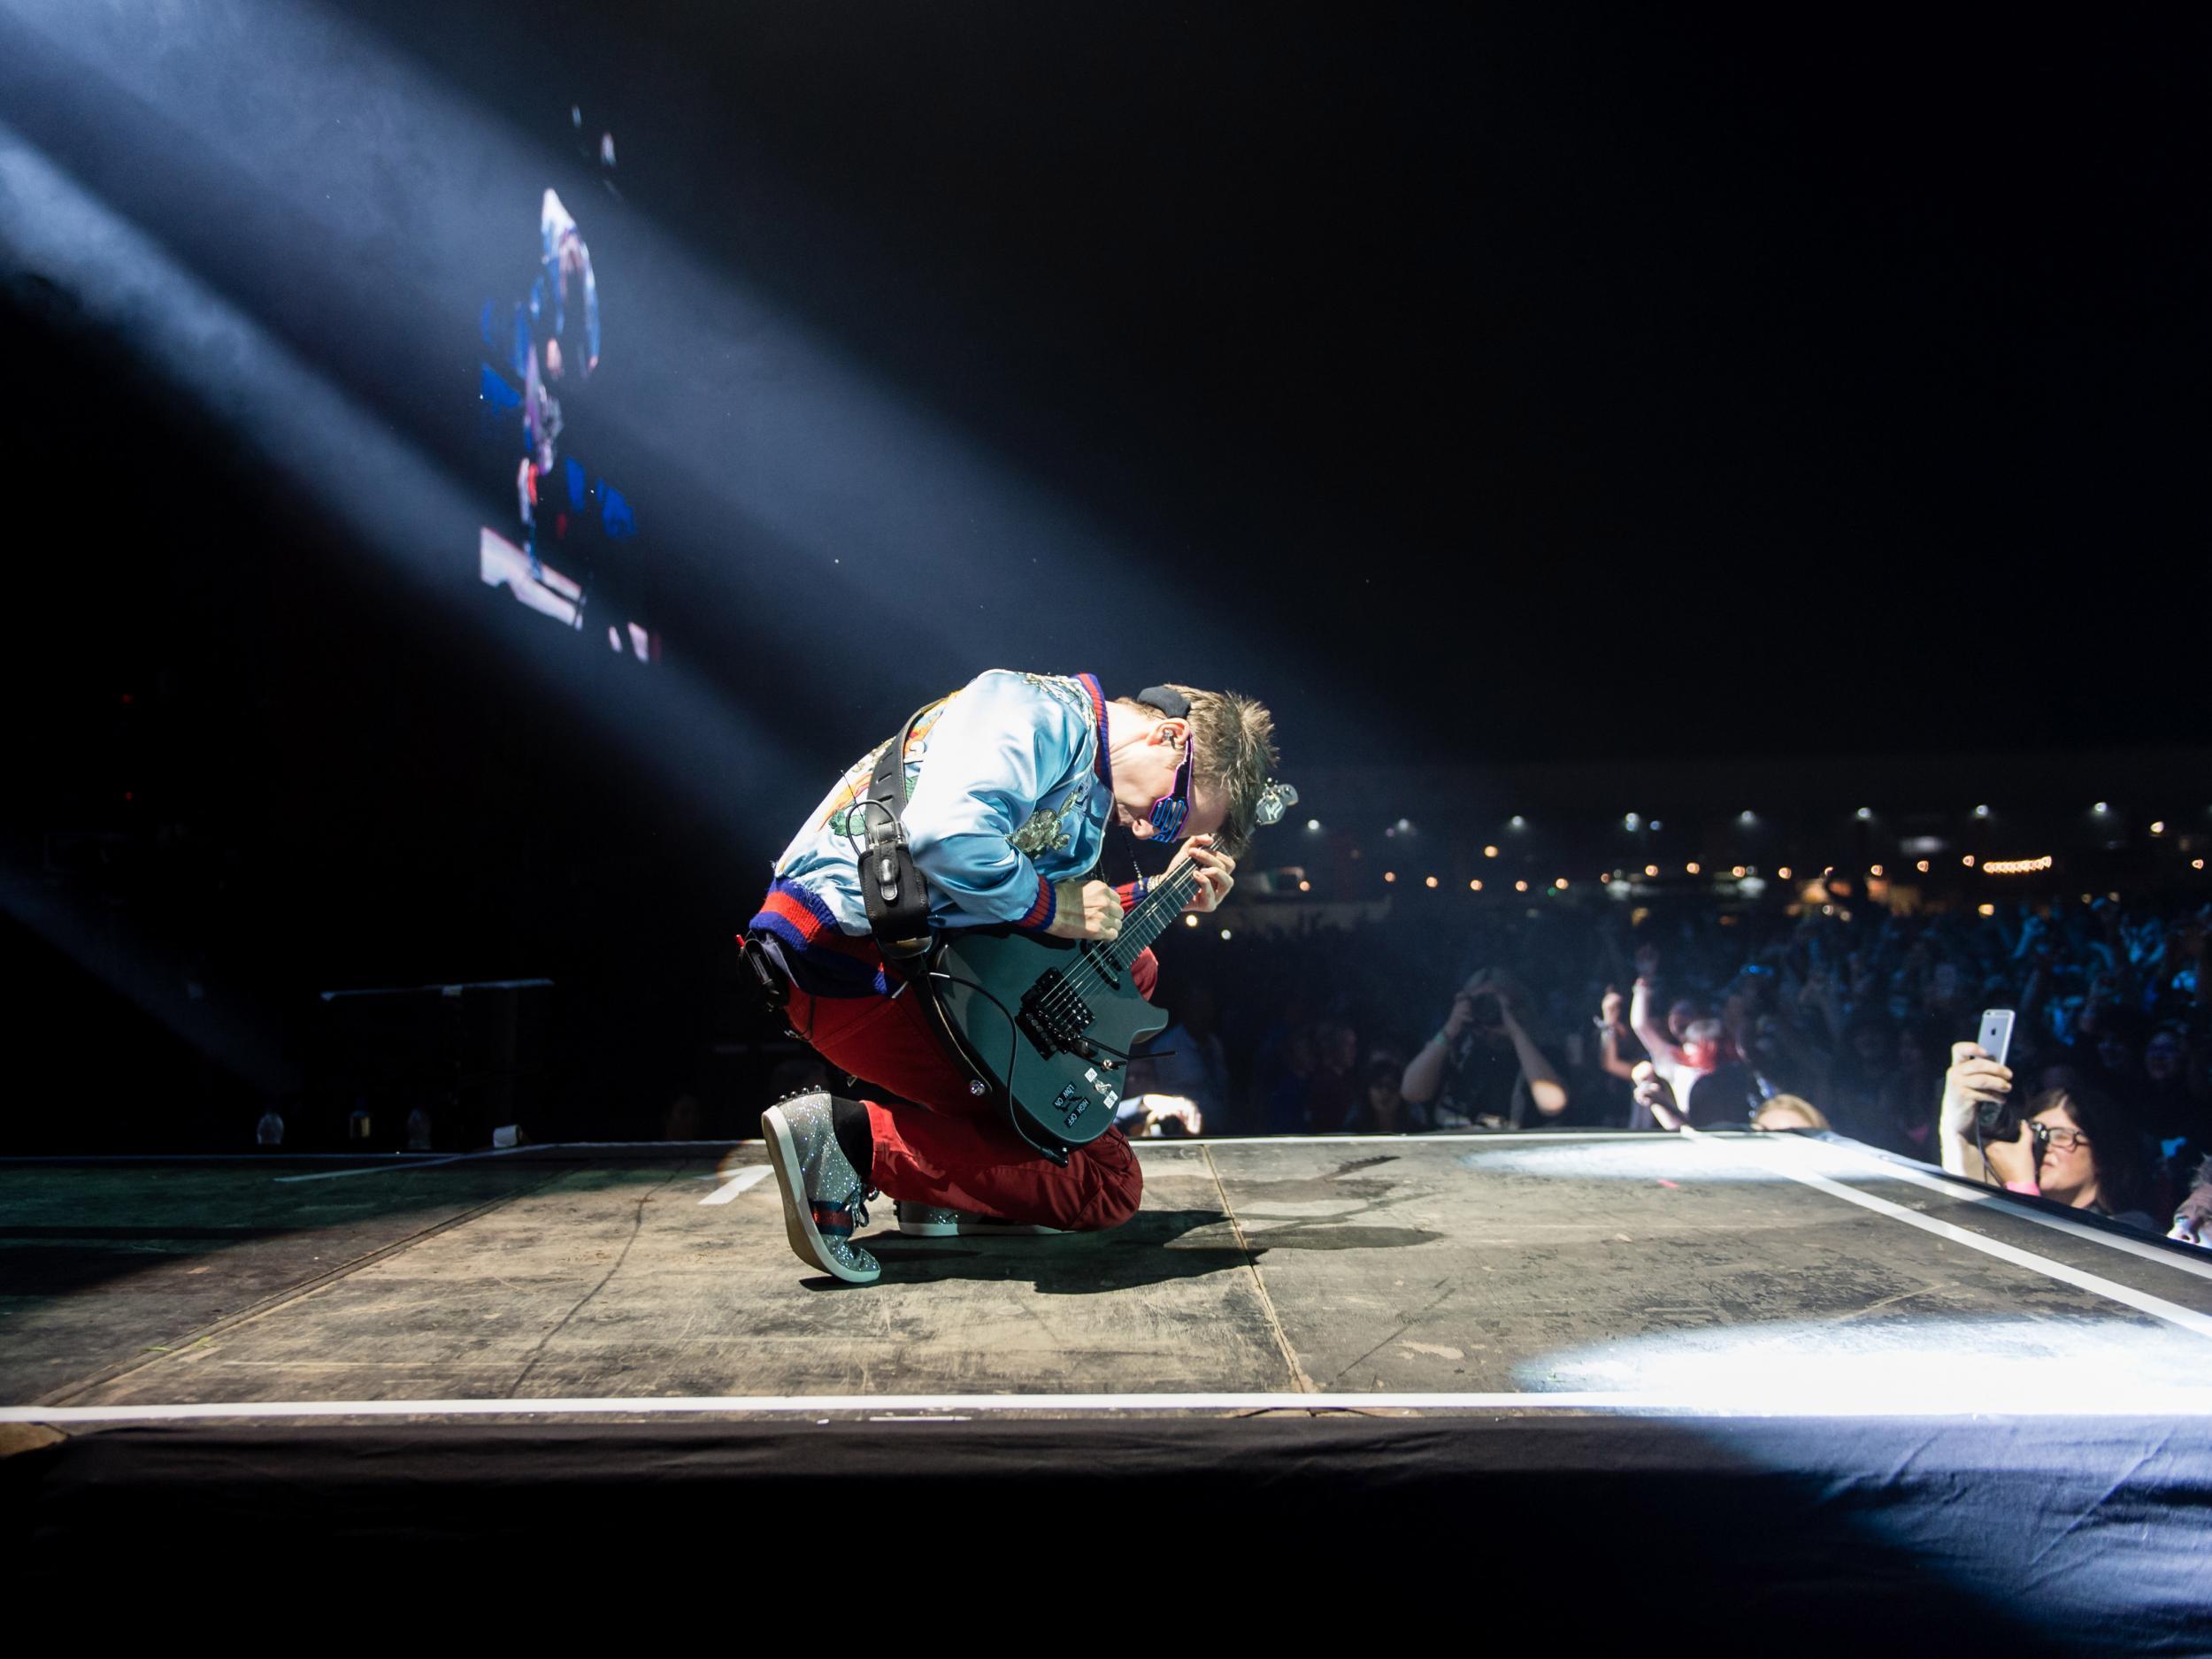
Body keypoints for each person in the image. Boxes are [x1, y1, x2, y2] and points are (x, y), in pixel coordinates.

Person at [745, 671, 1278, 1284]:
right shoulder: (1038, 709)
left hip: (896, 958)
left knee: (1132, 967)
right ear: (1169, 736)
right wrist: (1055, 906)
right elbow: (947, 839)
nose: (1147, 829)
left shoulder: (1085, 775)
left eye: (1165, 829)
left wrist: (1158, 894)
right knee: (1107, 1182)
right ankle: (847, 1142)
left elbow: (1027, 933)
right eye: (1168, 812)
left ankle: (946, 1188)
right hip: (848, 961)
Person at [1934, 1041, 2157, 1231]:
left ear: (2102, 1155)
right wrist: (1955, 1125)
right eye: (2038, 1132)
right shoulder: (2008, 1202)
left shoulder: (2132, 1225)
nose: (2045, 1145)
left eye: (2061, 1136)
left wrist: (2022, 1188)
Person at [1401, 968, 1568, 1129]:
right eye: (1479, 1002)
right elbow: (1411, 1092)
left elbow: (1552, 1105)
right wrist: (1450, 1029)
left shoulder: (1542, 1057)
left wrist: (1515, 1030)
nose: (1488, 1009)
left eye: (1497, 1003)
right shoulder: (1453, 1051)